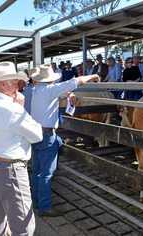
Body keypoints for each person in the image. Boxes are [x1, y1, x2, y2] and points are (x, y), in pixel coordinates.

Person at [0, 61, 43, 236]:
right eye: (14, 81)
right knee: (23, 225)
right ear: (4, 83)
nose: (18, 85)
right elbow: (38, 135)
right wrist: (20, 106)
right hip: (9, 168)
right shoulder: (11, 108)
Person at [30, 64, 99, 217]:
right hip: (46, 134)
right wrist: (92, 76)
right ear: (50, 80)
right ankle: (45, 207)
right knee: (46, 173)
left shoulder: (35, 90)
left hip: (34, 133)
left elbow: (55, 95)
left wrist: (67, 95)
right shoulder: (50, 90)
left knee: (37, 169)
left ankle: (36, 201)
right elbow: (77, 81)